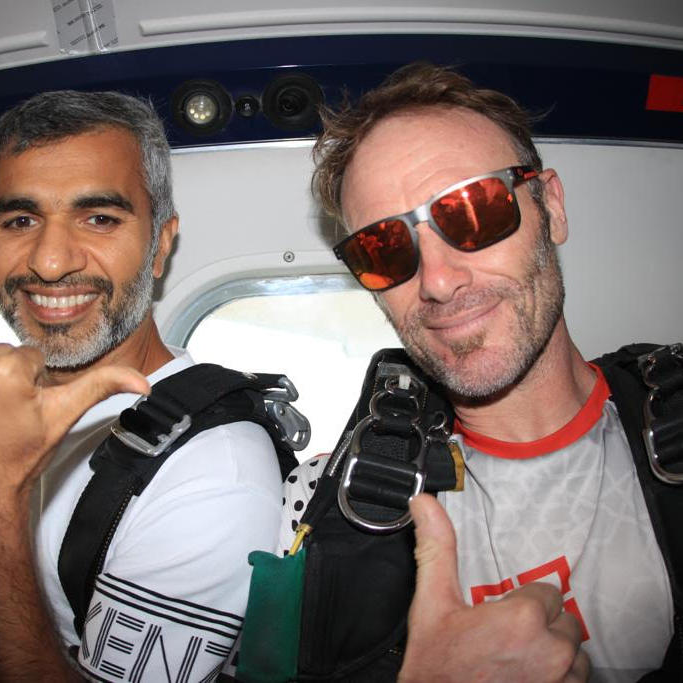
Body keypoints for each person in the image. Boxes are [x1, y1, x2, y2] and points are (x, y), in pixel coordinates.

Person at [0, 91, 284, 682]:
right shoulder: (40, 402)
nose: (48, 261)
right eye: (20, 220)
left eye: (100, 218)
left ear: (160, 244)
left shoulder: (214, 472)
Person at [275, 63, 676, 682]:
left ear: (552, 209)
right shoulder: (315, 506)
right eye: (384, 249)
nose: (436, 281)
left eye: (473, 213)